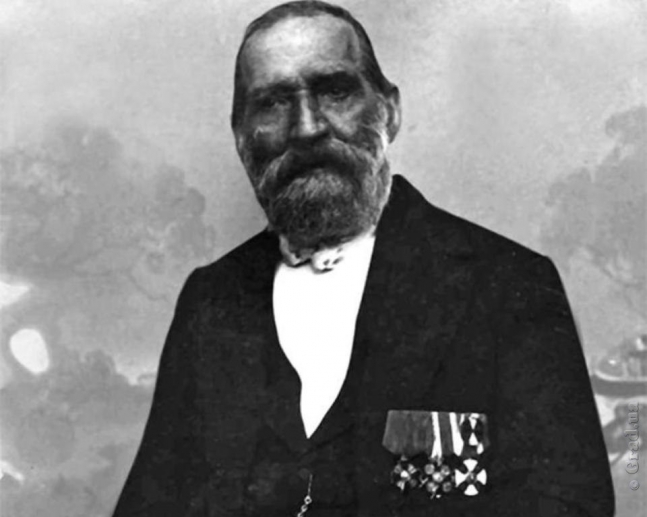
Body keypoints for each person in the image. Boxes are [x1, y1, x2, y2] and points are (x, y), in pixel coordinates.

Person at [112, 2, 614, 516]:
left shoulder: (508, 284)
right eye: (273, 102)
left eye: (334, 91)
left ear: (389, 111)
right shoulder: (209, 300)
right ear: (241, 137)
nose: (306, 127)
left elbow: (572, 504)